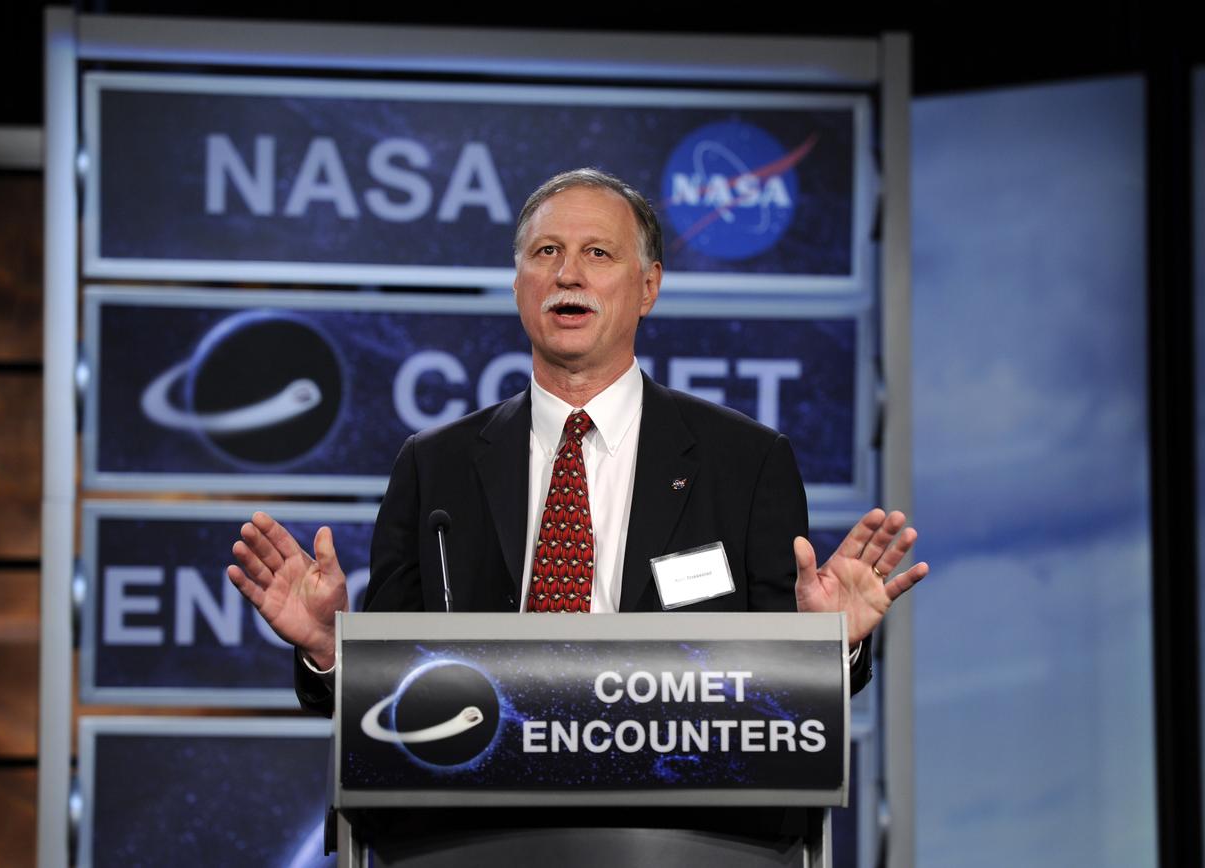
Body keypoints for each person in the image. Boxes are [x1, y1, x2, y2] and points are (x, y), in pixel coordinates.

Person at [227, 168, 927, 716]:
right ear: (519, 284)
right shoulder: (434, 467)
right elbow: (384, 699)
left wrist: (834, 646)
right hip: (476, 820)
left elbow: (788, 705)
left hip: (678, 827)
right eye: (547, 253)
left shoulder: (743, 463)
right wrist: (329, 650)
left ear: (648, 287)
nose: (569, 274)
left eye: (599, 253)